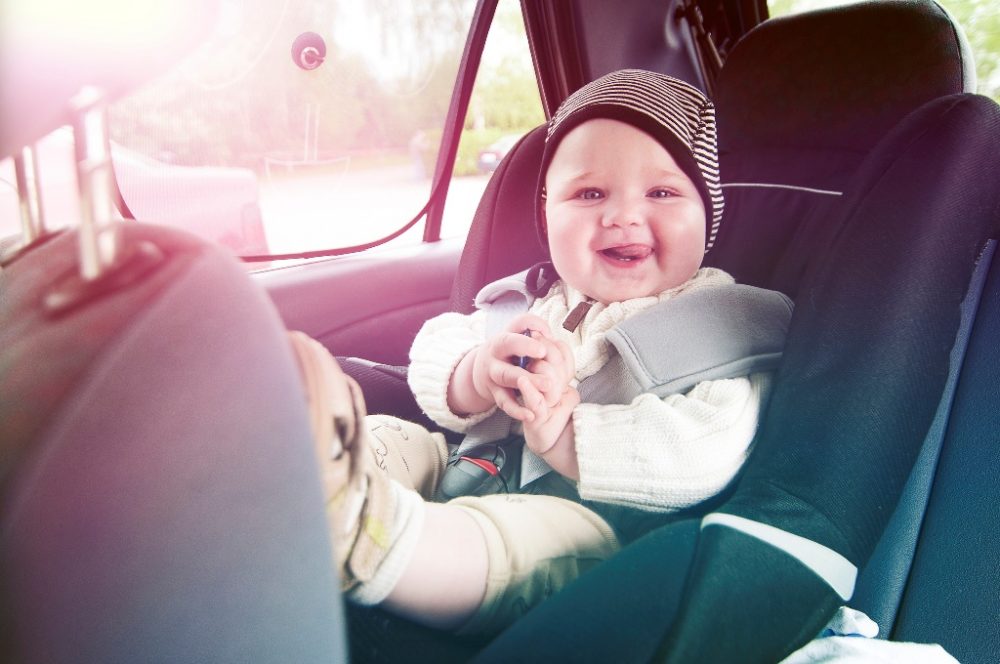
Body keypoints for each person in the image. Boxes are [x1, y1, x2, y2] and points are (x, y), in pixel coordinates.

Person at [289, 69, 786, 637]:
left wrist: (566, 435)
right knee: (396, 440)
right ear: (548, 213)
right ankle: (304, 477)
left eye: (663, 192)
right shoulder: (535, 297)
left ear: (708, 212)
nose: (623, 215)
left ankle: (368, 538)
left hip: (593, 534)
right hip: (471, 464)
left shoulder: (720, 325)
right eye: (590, 193)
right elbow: (439, 340)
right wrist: (475, 372)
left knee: (507, 547)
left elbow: (706, 447)